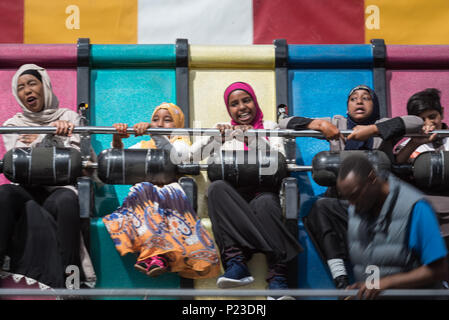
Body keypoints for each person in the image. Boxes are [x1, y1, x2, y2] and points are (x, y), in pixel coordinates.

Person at [192, 81, 342, 300]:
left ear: (255, 102)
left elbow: (277, 161)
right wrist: (218, 137)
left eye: (246, 100)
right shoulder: (223, 129)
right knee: (216, 189)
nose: (241, 107)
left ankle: (278, 278)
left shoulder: (270, 128)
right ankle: (236, 264)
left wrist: (249, 138)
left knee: (265, 204)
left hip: (264, 193)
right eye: (234, 104)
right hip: (234, 200)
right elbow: (189, 157)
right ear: (229, 109)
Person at [279, 85, 423, 289]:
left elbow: (417, 122)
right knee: (319, 208)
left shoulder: (384, 126)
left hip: (377, 210)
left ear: (375, 106)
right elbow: (283, 122)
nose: (360, 101)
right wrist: (317, 124)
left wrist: (373, 130)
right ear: (347, 107)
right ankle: (341, 280)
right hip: (345, 206)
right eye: (354, 98)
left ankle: (372, 285)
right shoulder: (338, 123)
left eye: (366, 98)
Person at [102, 103, 220, 280]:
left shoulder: (180, 143)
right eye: (155, 120)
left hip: (173, 197)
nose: (160, 124)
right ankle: (155, 257)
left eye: (167, 120)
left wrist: (153, 132)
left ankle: (155, 255)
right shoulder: (144, 144)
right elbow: (121, 162)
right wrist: (117, 139)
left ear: (178, 124)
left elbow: (173, 157)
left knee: (146, 189)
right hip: (146, 200)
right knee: (142, 189)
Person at [0, 64, 83, 288]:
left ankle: (71, 282)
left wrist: (38, 141)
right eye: (20, 87)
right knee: (4, 193)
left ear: (44, 86)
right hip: (26, 188)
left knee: (67, 202)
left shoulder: (69, 118)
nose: (26, 90)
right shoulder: (13, 125)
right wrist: (49, 137)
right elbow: (18, 161)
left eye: (31, 83)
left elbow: (74, 159)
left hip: (58, 188)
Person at [337, 154, 448, 300]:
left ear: (371, 179)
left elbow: (440, 270)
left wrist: (388, 283)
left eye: (355, 195)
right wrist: (365, 286)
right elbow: (379, 264)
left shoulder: (416, 208)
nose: (351, 204)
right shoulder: (357, 208)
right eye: (347, 198)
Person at [395, 88, 448, 164]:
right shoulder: (406, 147)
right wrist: (414, 143)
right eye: (421, 120)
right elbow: (398, 164)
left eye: (432, 117)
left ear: (442, 113)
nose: (428, 123)